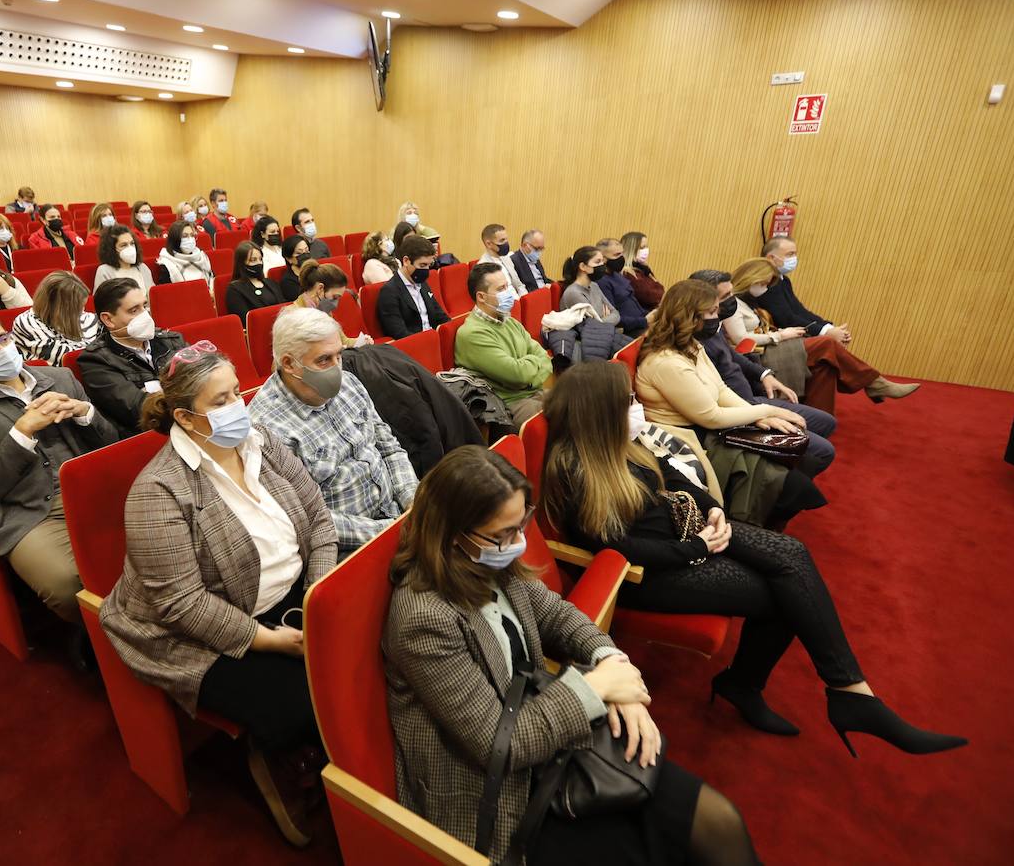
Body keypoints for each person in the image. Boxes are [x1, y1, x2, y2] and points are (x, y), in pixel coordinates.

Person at [541, 360, 968, 757]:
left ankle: (848, 691)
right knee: (780, 595)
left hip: (689, 531)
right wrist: (698, 548)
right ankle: (758, 687)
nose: (637, 407)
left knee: (792, 555)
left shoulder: (623, 444)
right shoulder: (576, 472)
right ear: (599, 413)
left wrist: (714, 509)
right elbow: (619, 550)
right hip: (650, 573)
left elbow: (672, 475)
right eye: (628, 402)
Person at [386, 444, 758, 866]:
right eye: (503, 534)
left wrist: (614, 669)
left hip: (545, 733)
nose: (519, 543)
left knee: (720, 821)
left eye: (521, 524)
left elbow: (559, 617)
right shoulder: (423, 617)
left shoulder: (486, 562)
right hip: (491, 792)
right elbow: (495, 747)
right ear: (452, 533)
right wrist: (594, 688)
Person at [101, 343, 336, 846]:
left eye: (237, 393)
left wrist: (318, 594)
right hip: (194, 628)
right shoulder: (158, 490)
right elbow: (182, 604)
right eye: (221, 401)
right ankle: (280, 758)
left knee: (363, 649)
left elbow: (317, 518)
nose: (238, 408)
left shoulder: (261, 441)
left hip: (286, 590)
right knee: (301, 701)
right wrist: (275, 641)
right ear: (185, 417)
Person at [0, 308, 119, 630]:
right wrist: (21, 433)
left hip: (92, 489)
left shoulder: (59, 377)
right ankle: (94, 633)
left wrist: (85, 413)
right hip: (31, 509)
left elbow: (109, 444)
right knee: (64, 584)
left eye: (3, 339)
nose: (2, 349)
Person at [249, 307, 416, 554]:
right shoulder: (265, 431)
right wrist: (394, 532)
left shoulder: (349, 383)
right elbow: (310, 519)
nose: (337, 368)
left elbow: (389, 448)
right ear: (289, 363)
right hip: (349, 548)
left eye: (338, 355)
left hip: (398, 515)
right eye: (324, 360)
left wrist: (413, 499)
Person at [689, 269, 836, 477]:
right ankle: (779, 483)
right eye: (726, 297)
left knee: (826, 422)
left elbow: (731, 356)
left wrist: (764, 374)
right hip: (738, 414)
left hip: (749, 402)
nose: (732, 301)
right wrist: (758, 415)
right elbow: (714, 404)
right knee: (822, 452)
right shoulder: (697, 335)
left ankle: (784, 473)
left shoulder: (711, 326)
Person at [751, 239, 918, 410]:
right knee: (827, 345)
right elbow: (786, 319)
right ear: (771, 258)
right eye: (790, 254)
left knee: (826, 363)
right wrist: (827, 333)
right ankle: (874, 383)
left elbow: (800, 311)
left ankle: (820, 420)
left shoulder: (782, 280)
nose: (794, 258)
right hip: (769, 345)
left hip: (785, 339)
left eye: (795, 253)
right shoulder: (763, 282)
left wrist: (830, 328)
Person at [77, 278, 188, 437]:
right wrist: (187, 395)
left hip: (189, 424)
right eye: (134, 310)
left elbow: (203, 380)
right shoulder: (96, 361)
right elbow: (140, 408)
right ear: (108, 319)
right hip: (149, 437)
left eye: (145, 306)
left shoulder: (171, 340)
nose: (145, 315)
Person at [454, 262, 552, 427]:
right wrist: (530, 369)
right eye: (501, 289)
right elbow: (517, 374)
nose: (508, 293)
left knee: (575, 403)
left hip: (533, 392)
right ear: (481, 297)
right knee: (559, 418)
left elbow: (545, 359)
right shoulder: (472, 333)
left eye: (507, 287)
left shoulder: (510, 321)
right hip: (509, 403)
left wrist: (527, 376)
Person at [11, 271, 98, 366]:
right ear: (58, 308)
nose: (82, 311)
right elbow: (67, 358)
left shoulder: (84, 317)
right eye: (77, 308)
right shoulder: (26, 323)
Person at [376, 235, 448, 340]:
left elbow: (439, 315)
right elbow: (399, 333)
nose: (426, 270)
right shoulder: (389, 292)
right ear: (406, 261)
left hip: (433, 340)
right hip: (414, 347)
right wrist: (428, 342)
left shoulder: (422, 284)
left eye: (429, 265)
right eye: (422, 265)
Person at [292, 260, 373, 348]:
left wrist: (361, 341)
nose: (335, 304)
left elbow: (344, 341)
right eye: (335, 297)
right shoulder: (293, 317)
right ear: (320, 289)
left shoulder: (324, 311)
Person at [596, 237, 648, 334]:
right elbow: (613, 318)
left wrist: (651, 316)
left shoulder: (617, 275)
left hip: (642, 322)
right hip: (629, 330)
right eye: (617, 255)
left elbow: (634, 303)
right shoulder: (601, 282)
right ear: (603, 258)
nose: (621, 258)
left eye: (622, 253)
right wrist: (644, 321)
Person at [225, 240, 285, 323]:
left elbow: (285, 308)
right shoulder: (235, 289)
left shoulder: (271, 282)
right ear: (241, 263)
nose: (259, 263)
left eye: (260, 259)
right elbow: (245, 320)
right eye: (253, 260)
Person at [94, 224, 154, 289]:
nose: (130, 248)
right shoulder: (104, 271)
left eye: (132, 243)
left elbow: (153, 294)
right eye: (123, 245)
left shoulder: (143, 268)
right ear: (112, 249)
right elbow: (102, 298)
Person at [158, 220, 214, 289]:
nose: (190, 239)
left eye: (192, 235)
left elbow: (212, 277)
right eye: (185, 236)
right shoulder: (167, 264)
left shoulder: (201, 256)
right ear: (175, 239)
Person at [620, 231, 664, 308]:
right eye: (642, 247)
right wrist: (658, 286)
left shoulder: (644, 269)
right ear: (631, 249)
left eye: (646, 246)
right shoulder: (627, 273)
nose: (646, 250)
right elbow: (652, 296)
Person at [477, 223, 524, 293]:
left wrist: (524, 300)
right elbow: (493, 296)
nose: (506, 243)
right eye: (502, 240)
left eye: (506, 239)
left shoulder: (506, 257)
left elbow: (518, 284)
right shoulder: (483, 267)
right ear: (489, 244)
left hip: (518, 299)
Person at [277, 234, 311, 300]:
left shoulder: (317, 271)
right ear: (289, 259)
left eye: (307, 251)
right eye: (299, 253)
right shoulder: (288, 282)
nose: (305, 255)